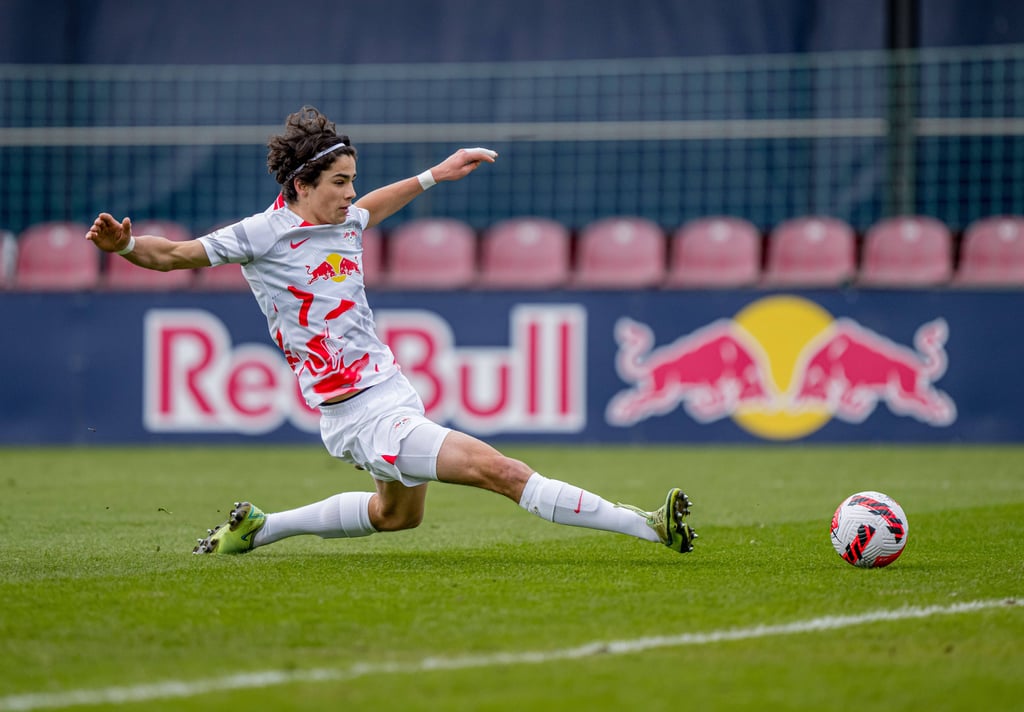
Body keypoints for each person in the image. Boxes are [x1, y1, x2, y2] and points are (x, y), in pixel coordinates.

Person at [85, 106, 697, 557]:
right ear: (300, 186)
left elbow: (375, 205)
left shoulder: (346, 220)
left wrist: (437, 174)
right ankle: (647, 525)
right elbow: (176, 255)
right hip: (356, 413)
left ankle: (260, 527)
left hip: (391, 389)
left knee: (396, 517)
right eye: (339, 183)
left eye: (353, 180)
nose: (351, 194)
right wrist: (128, 246)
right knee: (499, 471)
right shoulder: (262, 236)